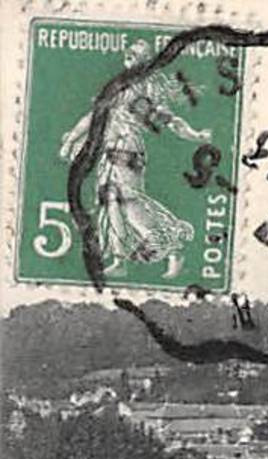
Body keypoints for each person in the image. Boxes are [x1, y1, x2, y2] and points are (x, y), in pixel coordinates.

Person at [59, 40, 211, 279]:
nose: (128, 55)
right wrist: (73, 140)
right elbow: (96, 117)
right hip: (111, 150)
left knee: (128, 202)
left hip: (127, 150)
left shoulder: (138, 91)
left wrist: (195, 135)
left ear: (145, 61)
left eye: (136, 53)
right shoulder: (123, 87)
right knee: (112, 203)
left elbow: (169, 121)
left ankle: (172, 244)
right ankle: (121, 259)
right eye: (128, 51)